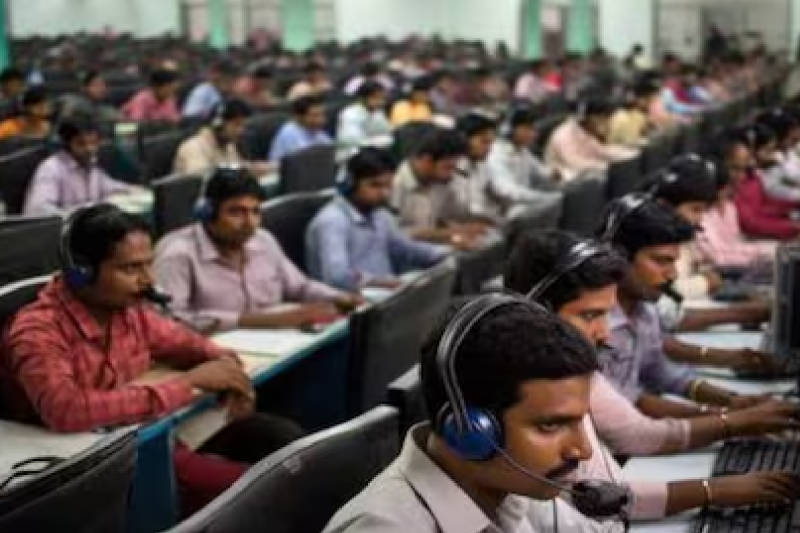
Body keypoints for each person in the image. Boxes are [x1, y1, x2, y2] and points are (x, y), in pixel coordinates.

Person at [0, 204, 306, 514]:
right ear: (82, 271)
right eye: (131, 268)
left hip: (150, 431)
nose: (148, 280)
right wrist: (187, 383)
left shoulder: (128, 309)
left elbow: (188, 344)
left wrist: (226, 370)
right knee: (258, 493)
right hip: (96, 460)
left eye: (149, 264)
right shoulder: (38, 331)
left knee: (287, 441)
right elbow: (66, 409)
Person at [503, 230, 800, 524]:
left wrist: (730, 414)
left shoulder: (572, 371)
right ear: (537, 311)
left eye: (607, 314)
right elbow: (625, 454)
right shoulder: (536, 390)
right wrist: (715, 483)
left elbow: (604, 492)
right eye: (590, 316)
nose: (605, 333)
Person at [325, 294, 618, 532]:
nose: (583, 450)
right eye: (551, 425)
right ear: (471, 431)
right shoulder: (387, 527)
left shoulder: (511, 483)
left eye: (580, 421)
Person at [596, 196, 770, 417]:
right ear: (618, 258)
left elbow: (661, 372)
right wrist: (727, 420)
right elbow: (628, 403)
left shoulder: (644, 309)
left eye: (673, 262)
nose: (673, 274)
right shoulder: (596, 323)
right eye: (661, 261)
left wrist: (733, 400)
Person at [155, 166, 362, 333]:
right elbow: (171, 320)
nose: (249, 223)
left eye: (255, 212)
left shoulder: (263, 240)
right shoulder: (178, 254)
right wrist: (258, 320)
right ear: (206, 213)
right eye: (236, 212)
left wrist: (337, 296)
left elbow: (299, 286)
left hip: (274, 347)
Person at [306, 147, 449, 291]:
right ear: (349, 183)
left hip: (386, 297)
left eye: (388, 186)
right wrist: (384, 283)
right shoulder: (332, 222)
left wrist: (447, 252)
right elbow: (338, 277)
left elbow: (406, 249)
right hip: (354, 304)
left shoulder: (379, 215)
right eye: (375, 185)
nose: (385, 193)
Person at [456, 113, 562, 227]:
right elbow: (507, 191)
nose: (488, 148)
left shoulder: (482, 164)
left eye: (490, 142)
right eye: (484, 141)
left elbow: (499, 191)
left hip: (492, 218)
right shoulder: (458, 167)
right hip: (475, 224)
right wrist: (548, 198)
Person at [391, 128, 487, 248]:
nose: (451, 174)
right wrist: (449, 234)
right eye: (448, 167)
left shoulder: (440, 182)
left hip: (430, 251)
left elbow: (444, 218)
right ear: (427, 161)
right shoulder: (394, 184)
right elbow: (394, 236)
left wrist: (460, 232)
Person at [24, 116, 139, 215]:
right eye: (81, 144)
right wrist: (83, 214)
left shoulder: (91, 163)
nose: (89, 149)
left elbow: (109, 186)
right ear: (67, 144)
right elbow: (39, 211)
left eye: (93, 143)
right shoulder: (51, 169)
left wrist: (134, 190)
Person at [698, 138, 777, 270]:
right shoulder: (702, 212)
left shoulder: (729, 205)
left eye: (744, 169)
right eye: (735, 168)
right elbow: (715, 256)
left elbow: (735, 246)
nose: (742, 176)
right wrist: (767, 252)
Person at [731, 125, 800, 240]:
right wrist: (791, 227)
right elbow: (750, 223)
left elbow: (765, 206)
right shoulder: (742, 181)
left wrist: (792, 210)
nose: (772, 155)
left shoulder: (752, 177)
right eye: (767, 150)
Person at [544, 97, 635, 181]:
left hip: (585, 173)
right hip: (564, 177)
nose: (605, 122)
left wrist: (630, 154)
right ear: (590, 117)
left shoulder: (584, 130)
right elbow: (575, 163)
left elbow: (601, 151)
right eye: (602, 118)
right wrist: (606, 166)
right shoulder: (564, 135)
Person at [173, 98, 267, 176]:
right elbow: (202, 180)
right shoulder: (194, 147)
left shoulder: (228, 145)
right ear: (217, 125)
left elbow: (237, 167)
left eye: (243, 126)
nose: (241, 131)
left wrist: (256, 168)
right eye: (236, 125)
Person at [489, 106, 561, 186]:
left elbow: (542, 171)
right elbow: (508, 191)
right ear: (510, 129)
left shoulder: (522, 150)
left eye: (532, 129)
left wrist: (556, 173)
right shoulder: (497, 155)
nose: (532, 134)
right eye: (526, 129)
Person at [268, 94, 332, 162]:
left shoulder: (316, 130)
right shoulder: (289, 133)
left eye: (322, 115)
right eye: (314, 116)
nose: (321, 120)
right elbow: (303, 161)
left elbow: (329, 148)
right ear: (298, 117)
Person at [337, 81, 392, 148]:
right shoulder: (349, 114)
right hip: (352, 153)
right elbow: (353, 141)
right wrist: (379, 141)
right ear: (362, 98)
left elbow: (387, 131)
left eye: (382, 98)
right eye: (376, 98)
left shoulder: (377, 112)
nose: (381, 102)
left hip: (374, 150)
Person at [609, 77, 659, 147]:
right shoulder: (632, 115)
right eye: (649, 100)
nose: (651, 104)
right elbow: (629, 142)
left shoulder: (640, 115)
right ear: (640, 99)